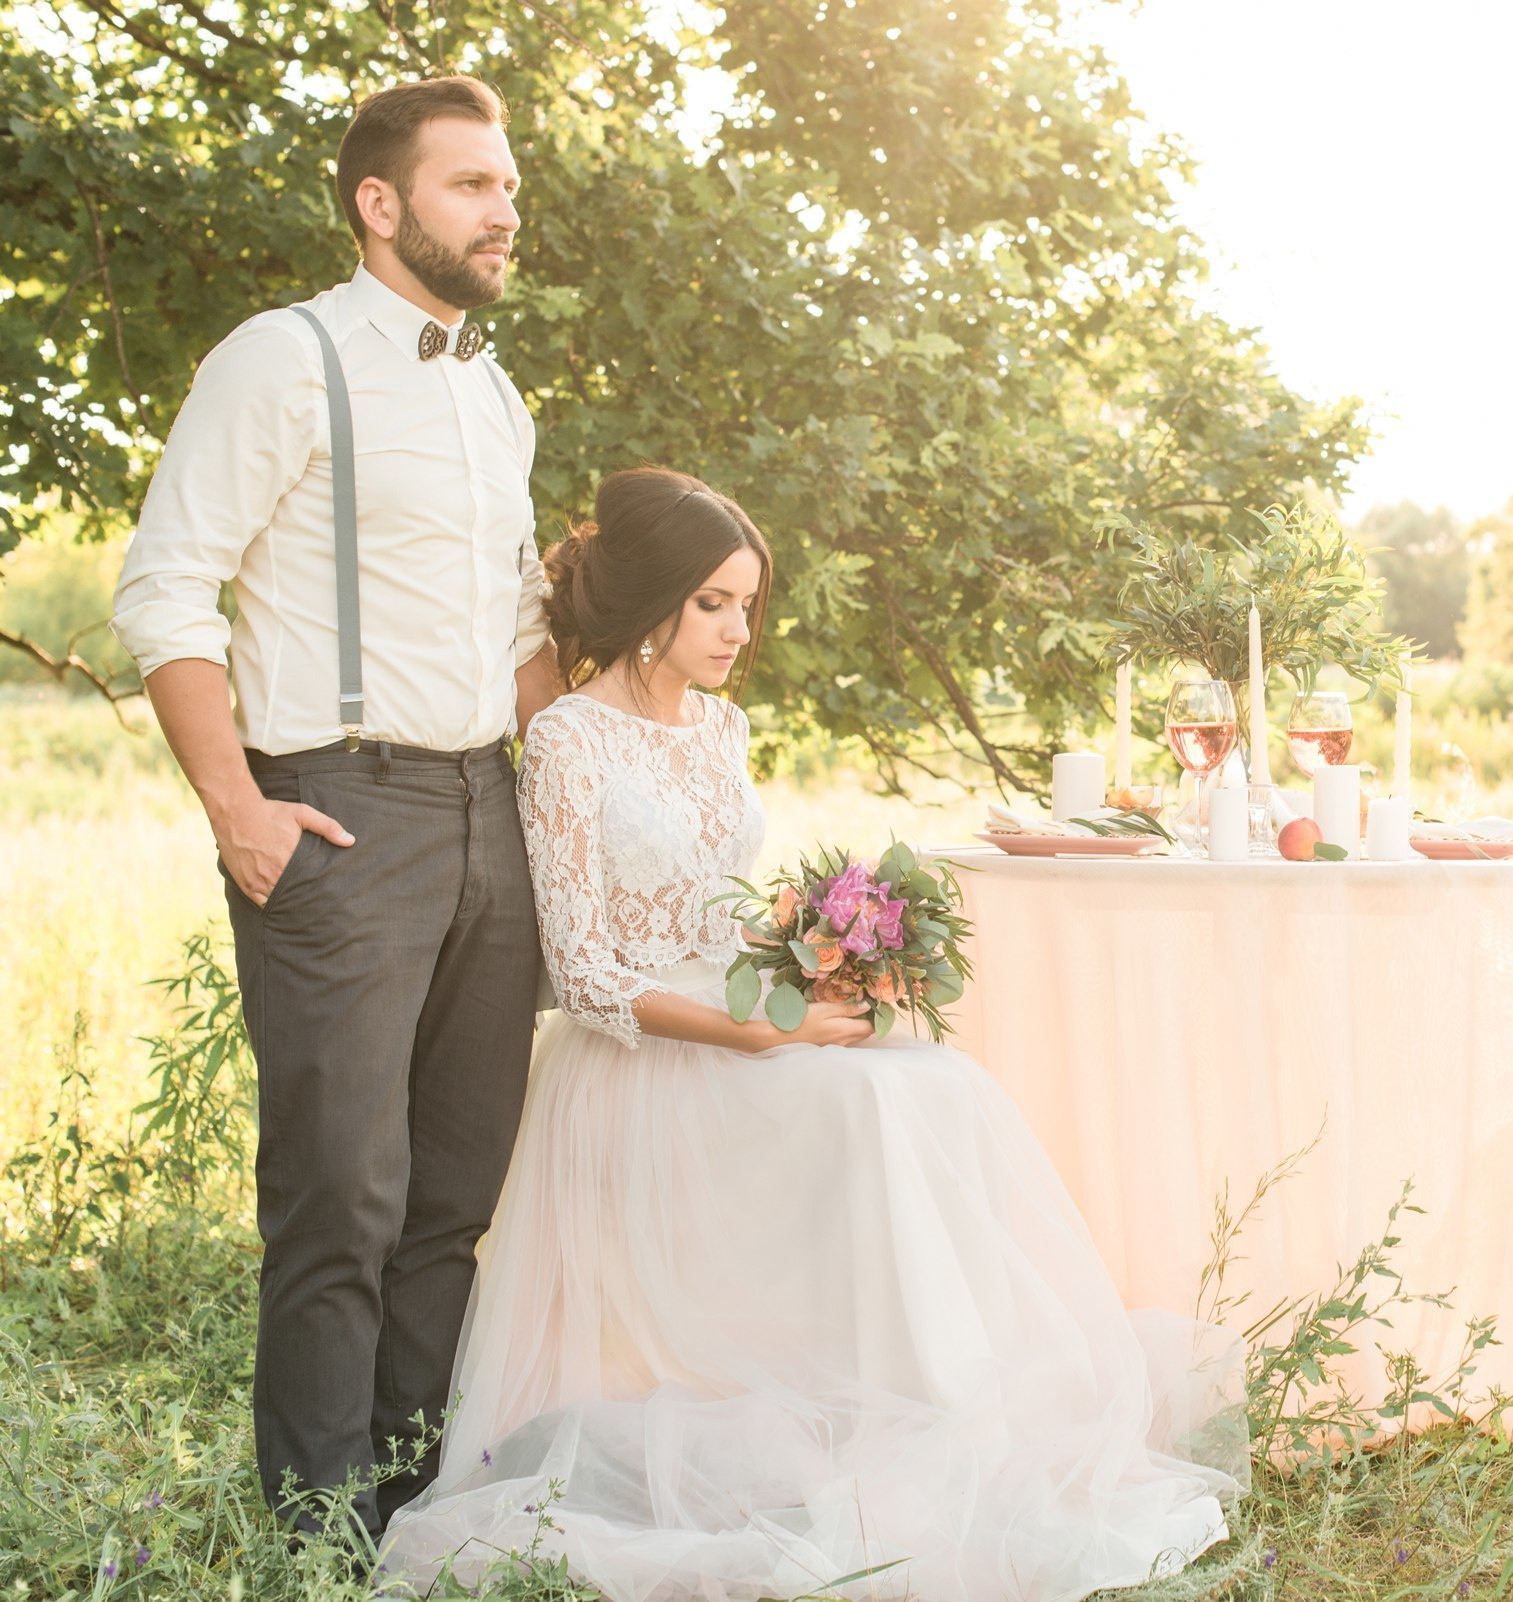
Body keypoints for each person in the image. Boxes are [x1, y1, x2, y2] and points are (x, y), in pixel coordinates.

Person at [379, 468, 1245, 1602]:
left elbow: (723, 902)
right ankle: (912, 1397)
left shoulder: (723, 726)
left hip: (742, 1013)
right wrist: (757, 1040)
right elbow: (587, 976)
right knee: (867, 1103)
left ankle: (947, 1405)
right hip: (642, 1056)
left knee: (934, 1083)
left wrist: (822, 964)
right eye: (713, 605)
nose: (740, 630)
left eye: (747, 604)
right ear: (650, 604)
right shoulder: (570, 743)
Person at [109, 75, 557, 1539]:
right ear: (382, 203)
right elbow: (165, 584)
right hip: (339, 814)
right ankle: (315, 1535)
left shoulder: (496, 395)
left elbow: (516, 633)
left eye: (505, 185)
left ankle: (411, 1510)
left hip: (492, 817)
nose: (505, 210)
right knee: (342, 1197)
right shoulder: (281, 358)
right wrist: (238, 801)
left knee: (451, 1198)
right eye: (472, 186)